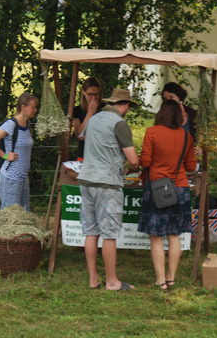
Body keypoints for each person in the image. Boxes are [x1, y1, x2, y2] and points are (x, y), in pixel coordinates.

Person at [77, 88, 139, 291]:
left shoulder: (93, 119)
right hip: (107, 183)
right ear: (126, 105)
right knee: (109, 234)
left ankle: (93, 279)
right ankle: (112, 282)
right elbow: (133, 160)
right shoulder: (119, 123)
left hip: (86, 180)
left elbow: (83, 137)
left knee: (91, 231)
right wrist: (133, 168)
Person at [138, 99, 197, 291]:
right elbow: (190, 166)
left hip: (157, 188)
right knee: (174, 235)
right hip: (180, 188)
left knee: (156, 236)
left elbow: (145, 161)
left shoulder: (152, 132)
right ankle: (171, 278)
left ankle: (160, 280)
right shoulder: (186, 136)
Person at [0, 92, 37, 211]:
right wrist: (5, 156)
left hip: (23, 178)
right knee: (10, 216)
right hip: (10, 178)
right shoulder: (11, 124)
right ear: (23, 107)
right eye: (33, 107)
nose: (35, 110)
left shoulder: (27, 126)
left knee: (23, 214)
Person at [72, 77, 103, 161]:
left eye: (97, 94)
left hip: (103, 154)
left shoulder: (105, 108)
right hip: (84, 154)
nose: (94, 98)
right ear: (83, 92)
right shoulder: (77, 110)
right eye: (90, 94)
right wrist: (90, 113)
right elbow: (80, 135)